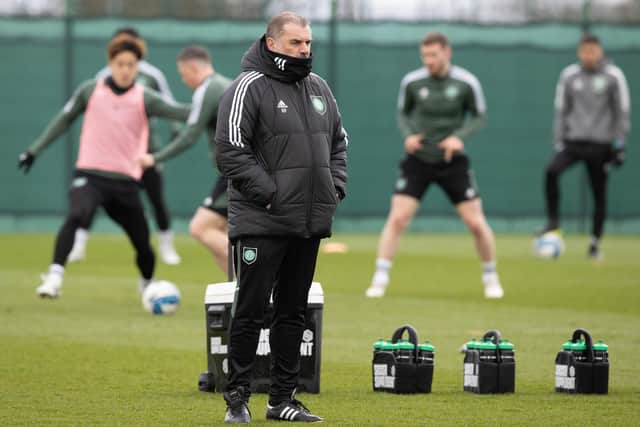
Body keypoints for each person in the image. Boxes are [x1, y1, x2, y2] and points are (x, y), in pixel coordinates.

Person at [215, 11, 347, 424]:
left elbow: (339, 144)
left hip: (307, 224)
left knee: (294, 312)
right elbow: (229, 152)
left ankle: (282, 400)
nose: (304, 50)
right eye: (296, 43)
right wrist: (272, 195)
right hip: (262, 222)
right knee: (251, 311)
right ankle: (237, 401)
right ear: (272, 43)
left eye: (308, 43)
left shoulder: (319, 87)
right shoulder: (247, 87)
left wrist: (333, 188)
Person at [17, 35, 190, 299]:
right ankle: (53, 278)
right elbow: (62, 121)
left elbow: (182, 112)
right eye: (120, 63)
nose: (125, 69)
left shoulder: (146, 98)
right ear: (110, 63)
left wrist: (218, 103)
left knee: (143, 244)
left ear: (138, 66)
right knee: (77, 213)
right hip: (90, 175)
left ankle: (148, 287)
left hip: (126, 183)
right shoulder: (90, 90)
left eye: (131, 64)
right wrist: (34, 151)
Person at [365, 32, 504, 300]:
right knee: (397, 218)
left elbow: (479, 116)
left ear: (447, 53)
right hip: (419, 160)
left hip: (452, 161)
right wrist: (408, 136)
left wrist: (458, 138)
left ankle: (490, 276)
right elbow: (403, 114)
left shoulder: (466, 82)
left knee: (475, 222)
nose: (428, 60)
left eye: (433, 55)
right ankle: (380, 278)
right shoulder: (412, 82)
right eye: (424, 55)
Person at [68, 27, 183, 266]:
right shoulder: (102, 76)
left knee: (156, 199)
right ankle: (78, 245)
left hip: (146, 150)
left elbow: (170, 106)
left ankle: (166, 247)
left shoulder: (152, 75)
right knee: (90, 199)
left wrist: (176, 130)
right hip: (113, 156)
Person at [140, 45, 232, 275]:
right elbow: (191, 114)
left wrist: (154, 158)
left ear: (193, 67)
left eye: (182, 74)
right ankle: (241, 299)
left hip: (236, 173)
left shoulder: (207, 89)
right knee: (226, 232)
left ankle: (258, 276)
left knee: (200, 228)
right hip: (249, 169)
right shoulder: (225, 85)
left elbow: (190, 135)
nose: (183, 80)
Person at [541, 33, 630, 259]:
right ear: (579, 52)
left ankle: (594, 243)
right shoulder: (569, 76)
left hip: (601, 146)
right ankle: (553, 222)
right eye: (584, 51)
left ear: (599, 51)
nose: (588, 55)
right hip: (573, 142)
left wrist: (619, 145)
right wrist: (559, 141)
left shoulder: (613, 76)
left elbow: (622, 112)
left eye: (592, 51)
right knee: (551, 171)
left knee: (599, 194)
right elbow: (561, 110)